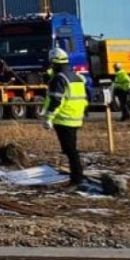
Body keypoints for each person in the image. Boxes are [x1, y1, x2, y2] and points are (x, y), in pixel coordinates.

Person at [40, 47, 89, 187]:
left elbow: (56, 100)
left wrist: (48, 118)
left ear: (55, 63)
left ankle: (77, 178)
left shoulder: (59, 79)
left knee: (70, 150)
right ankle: (77, 175)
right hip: (75, 117)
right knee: (71, 149)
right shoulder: (77, 77)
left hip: (64, 118)